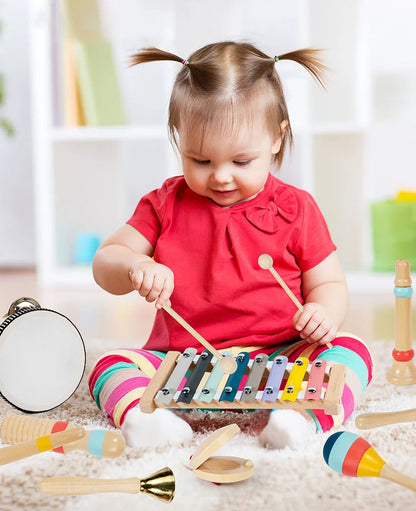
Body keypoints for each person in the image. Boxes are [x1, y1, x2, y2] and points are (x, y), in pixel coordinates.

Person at [89, 41, 373, 450]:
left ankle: (299, 422)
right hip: (184, 365)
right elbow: (106, 261)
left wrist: (323, 313)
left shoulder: (297, 209)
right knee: (110, 365)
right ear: (177, 137)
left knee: (351, 350)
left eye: (241, 162)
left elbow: (328, 282)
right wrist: (134, 265)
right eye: (200, 160)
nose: (221, 176)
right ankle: (146, 422)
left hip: (282, 361)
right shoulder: (165, 203)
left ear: (277, 138)